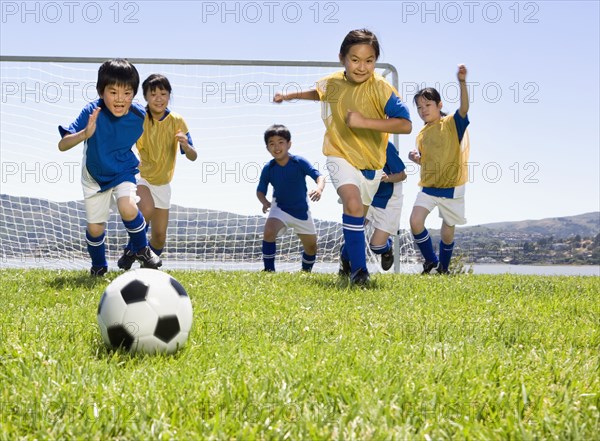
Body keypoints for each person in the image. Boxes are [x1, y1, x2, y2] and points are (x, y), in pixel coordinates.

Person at [274, 29, 412, 286]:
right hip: (339, 155)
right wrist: (290, 95)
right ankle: (360, 273)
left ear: (375, 61)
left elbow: (405, 124)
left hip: (371, 163)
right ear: (342, 58)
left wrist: (365, 122)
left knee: (358, 217)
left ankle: (347, 259)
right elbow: (320, 93)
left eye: (369, 60)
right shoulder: (333, 82)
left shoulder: (382, 89)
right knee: (352, 203)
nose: (362, 66)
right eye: (355, 59)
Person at [58, 58, 161, 276]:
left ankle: (142, 249)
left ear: (134, 94)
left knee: (128, 206)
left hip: (123, 171)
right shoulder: (91, 111)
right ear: (101, 92)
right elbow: (62, 144)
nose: (120, 99)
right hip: (95, 177)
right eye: (113, 92)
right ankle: (98, 266)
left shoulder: (139, 115)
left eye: (127, 93)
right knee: (96, 228)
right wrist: (85, 134)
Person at [117, 74, 198, 270]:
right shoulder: (139, 118)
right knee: (146, 210)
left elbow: (193, 156)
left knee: (159, 237)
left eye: (163, 93)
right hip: (142, 177)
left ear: (169, 95)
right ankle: (131, 248)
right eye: (153, 94)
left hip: (163, 183)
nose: (159, 98)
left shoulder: (177, 121)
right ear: (145, 97)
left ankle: (146, 270)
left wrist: (186, 145)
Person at [408, 64, 470, 274]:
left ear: (439, 104)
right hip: (429, 187)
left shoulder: (452, 123)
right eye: (419, 107)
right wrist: (418, 159)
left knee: (447, 231)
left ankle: (443, 268)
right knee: (415, 222)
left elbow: (464, 109)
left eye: (427, 105)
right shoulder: (421, 134)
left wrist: (462, 82)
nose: (423, 110)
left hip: (452, 187)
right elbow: (429, 160)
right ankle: (431, 261)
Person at [256, 124, 325, 273]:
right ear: (267, 148)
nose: (276, 147)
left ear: (289, 144)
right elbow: (260, 190)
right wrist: (265, 202)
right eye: (271, 144)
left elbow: (319, 176)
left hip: (301, 211)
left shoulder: (299, 162)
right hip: (279, 209)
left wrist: (319, 189)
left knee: (312, 247)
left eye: (281, 142)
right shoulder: (269, 168)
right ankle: (269, 271)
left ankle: (305, 272)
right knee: (268, 231)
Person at [365, 141, 407, 272]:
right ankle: (347, 263)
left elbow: (402, 175)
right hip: (369, 195)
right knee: (354, 226)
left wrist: (386, 178)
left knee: (376, 247)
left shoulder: (385, 145)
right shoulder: (356, 145)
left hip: (389, 200)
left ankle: (387, 248)